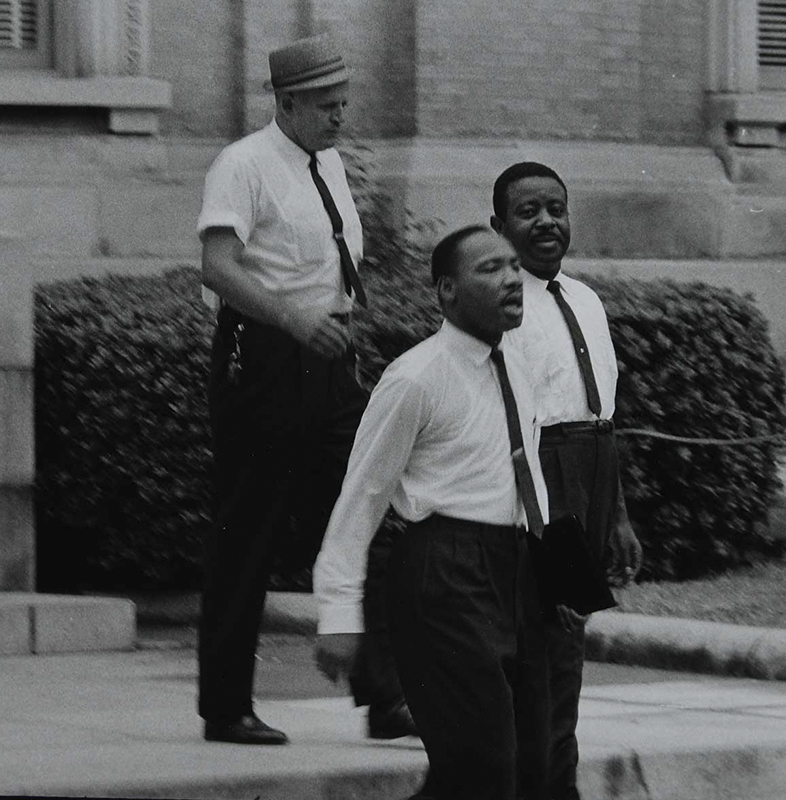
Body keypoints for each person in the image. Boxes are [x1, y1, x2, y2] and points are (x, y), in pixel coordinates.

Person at [195, 32, 410, 745]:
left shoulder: (328, 164)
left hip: (330, 360)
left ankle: (384, 697)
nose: (338, 116)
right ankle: (226, 708)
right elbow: (218, 267)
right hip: (265, 360)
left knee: (361, 518)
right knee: (246, 534)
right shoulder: (244, 164)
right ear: (286, 102)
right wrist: (293, 320)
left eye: (344, 104)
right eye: (325, 105)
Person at [314, 226, 552, 800]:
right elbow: (362, 495)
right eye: (490, 269)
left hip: (517, 573)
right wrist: (339, 615)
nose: (512, 279)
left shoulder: (519, 364)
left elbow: (522, 476)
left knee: (527, 766)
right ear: (446, 291)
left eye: (514, 266)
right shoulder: (416, 377)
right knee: (483, 766)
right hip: (445, 576)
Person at [492, 161, 644, 800]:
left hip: (592, 478)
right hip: (541, 487)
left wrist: (618, 516)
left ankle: (554, 783)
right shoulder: (501, 303)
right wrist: (544, 530)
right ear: (499, 226)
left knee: (567, 646)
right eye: (528, 212)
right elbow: (512, 425)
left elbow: (600, 414)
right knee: (546, 652)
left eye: (556, 208)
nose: (546, 222)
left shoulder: (585, 299)